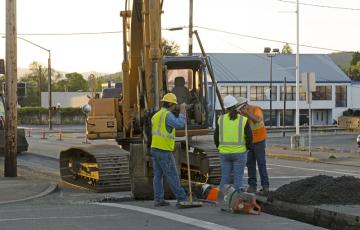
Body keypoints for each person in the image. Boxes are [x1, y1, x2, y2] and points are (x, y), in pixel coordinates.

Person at [150, 93, 187, 207]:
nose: (175, 106)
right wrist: (182, 112)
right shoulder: (167, 115)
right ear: (171, 104)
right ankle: (181, 198)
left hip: (155, 148)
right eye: (174, 104)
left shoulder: (155, 116)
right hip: (164, 150)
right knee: (172, 175)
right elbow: (180, 124)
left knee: (158, 176)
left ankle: (158, 199)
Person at [214, 95, 253, 192]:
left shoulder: (221, 119)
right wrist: (247, 148)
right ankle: (237, 201)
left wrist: (219, 147)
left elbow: (216, 137)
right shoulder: (243, 120)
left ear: (226, 108)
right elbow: (249, 137)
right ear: (236, 106)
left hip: (224, 153)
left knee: (225, 177)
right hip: (239, 153)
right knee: (238, 178)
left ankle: (222, 199)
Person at [237, 97, 270, 194]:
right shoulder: (242, 114)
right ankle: (252, 186)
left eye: (241, 109)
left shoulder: (256, 109)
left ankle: (265, 186)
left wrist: (246, 113)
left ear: (245, 106)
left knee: (261, 163)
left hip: (259, 141)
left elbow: (257, 120)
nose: (240, 111)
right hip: (250, 142)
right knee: (250, 163)